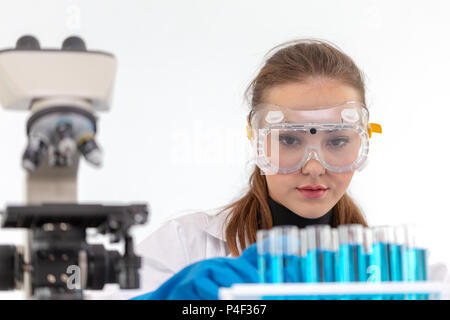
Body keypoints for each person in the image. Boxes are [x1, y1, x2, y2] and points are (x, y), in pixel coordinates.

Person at [128, 38, 443, 300]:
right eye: (290, 140)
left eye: (337, 141)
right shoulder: (185, 246)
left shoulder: (399, 276)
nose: (314, 167)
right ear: (257, 140)